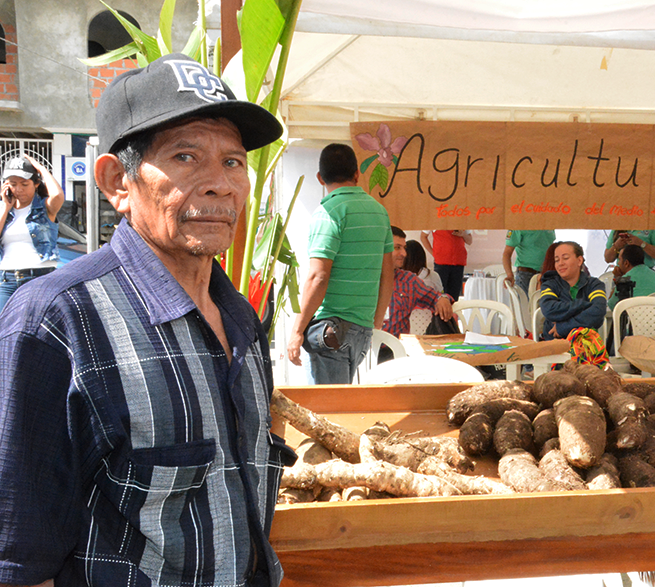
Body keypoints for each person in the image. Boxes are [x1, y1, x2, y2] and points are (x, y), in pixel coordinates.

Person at [0, 53, 291, 586]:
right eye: (185, 157)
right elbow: (20, 558)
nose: (220, 185)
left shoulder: (243, 320)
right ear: (117, 181)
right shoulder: (55, 322)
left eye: (232, 162)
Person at [287, 143, 394, 384]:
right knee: (340, 404)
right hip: (362, 327)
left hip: (330, 329)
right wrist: (375, 320)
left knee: (327, 412)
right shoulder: (379, 212)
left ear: (319, 178)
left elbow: (318, 277)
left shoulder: (327, 212)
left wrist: (296, 330)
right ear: (357, 174)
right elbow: (387, 273)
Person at [0, 154, 65, 310]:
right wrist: (5, 208)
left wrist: (40, 168)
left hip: (39, 277)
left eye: (24, 184)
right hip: (6, 279)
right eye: (13, 184)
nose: (18, 189)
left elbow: (57, 195)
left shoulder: (44, 208)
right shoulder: (4, 210)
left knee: (38, 329)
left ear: (36, 184)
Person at [382, 226, 454, 338]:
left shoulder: (409, 281)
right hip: (361, 350)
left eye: (404, 248)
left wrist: (442, 299)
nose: (404, 253)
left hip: (396, 351)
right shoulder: (359, 279)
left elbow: (436, 297)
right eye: (397, 247)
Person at [538, 241, 607, 340]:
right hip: (556, 346)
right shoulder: (549, 284)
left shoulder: (595, 285)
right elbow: (549, 310)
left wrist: (563, 327)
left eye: (565, 258)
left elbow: (598, 312)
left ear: (579, 260)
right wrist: (584, 305)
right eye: (557, 260)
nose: (560, 263)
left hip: (587, 346)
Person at [608, 243, 655, 310]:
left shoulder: (625, 281)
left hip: (639, 319)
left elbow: (612, 306)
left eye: (619, 259)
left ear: (626, 263)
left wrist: (617, 279)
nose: (618, 263)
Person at [421, 228, 472, 300]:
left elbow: (469, 241)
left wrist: (463, 234)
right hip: (441, 263)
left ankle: (452, 310)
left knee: (454, 296)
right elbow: (423, 236)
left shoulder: (462, 219)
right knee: (440, 295)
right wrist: (434, 253)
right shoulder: (435, 220)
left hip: (458, 262)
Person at [503, 229, 555, 295]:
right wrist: (509, 275)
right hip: (526, 274)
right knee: (526, 304)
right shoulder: (518, 227)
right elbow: (507, 253)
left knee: (546, 303)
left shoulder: (549, 224)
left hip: (547, 273)